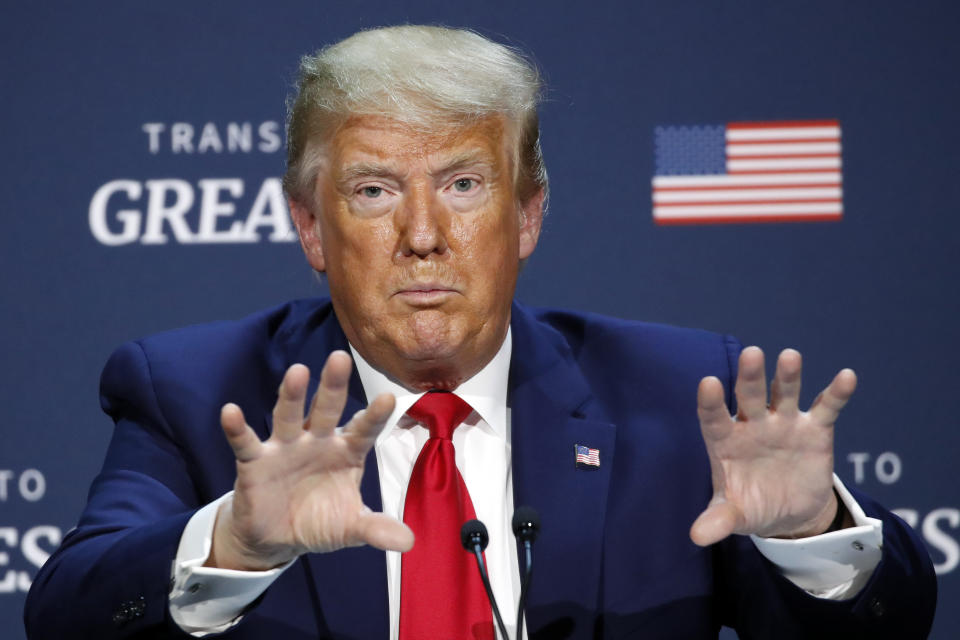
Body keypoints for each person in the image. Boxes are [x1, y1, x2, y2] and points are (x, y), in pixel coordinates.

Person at [25, 25, 935, 639]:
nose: (423, 234)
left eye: (463, 184)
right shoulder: (196, 392)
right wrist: (235, 544)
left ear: (528, 217)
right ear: (310, 228)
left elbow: (892, 620)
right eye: (375, 190)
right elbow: (66, 614)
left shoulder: (673, 399)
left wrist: (809, 532)